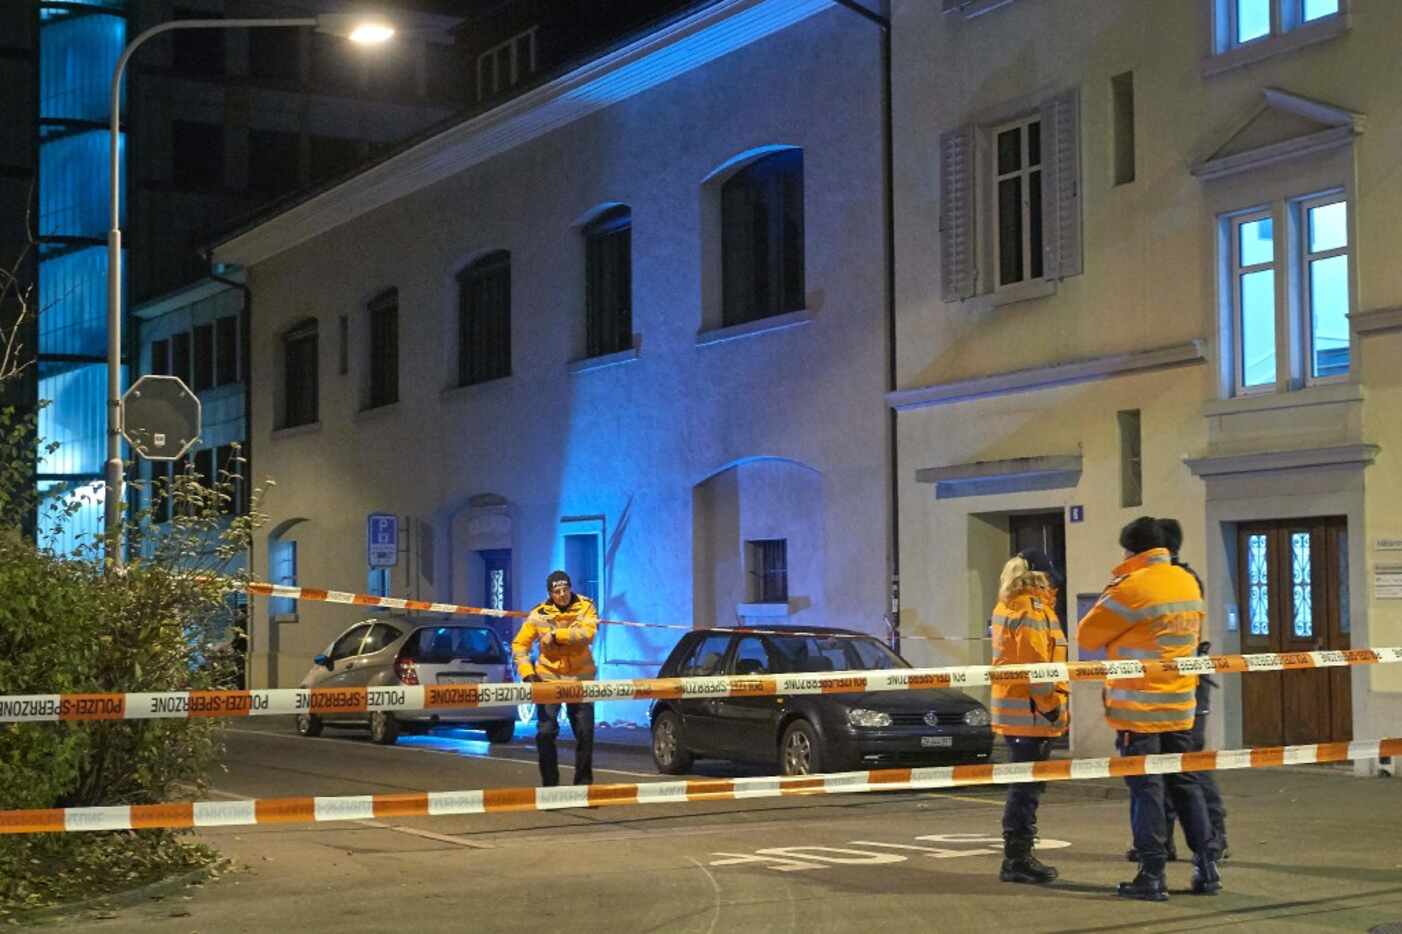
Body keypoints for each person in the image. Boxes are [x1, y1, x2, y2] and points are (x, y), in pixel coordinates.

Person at [1078, 517, 1224, 900]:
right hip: (1180, 703)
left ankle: (1152, 873)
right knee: (1185, 784)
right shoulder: (1186, 580)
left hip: (1138, 707)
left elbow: (1088, 635)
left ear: (1133, 550)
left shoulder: (1132, 586)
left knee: (1147, 790)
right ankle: (1206, 869)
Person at [1125, 519, 1230, 865]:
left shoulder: (1172, 581)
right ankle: (1176, 844)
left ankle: (1210, 839)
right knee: (1174, 769)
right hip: (1180, 686)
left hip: (1175, 688)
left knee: (1184, 767)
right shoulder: (1184, 580)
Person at [990, 549, 1071, 885]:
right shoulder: (1033, 609)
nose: (1054, 583)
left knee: (1025, 786)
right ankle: (1017, 859)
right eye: (1050, 577)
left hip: (1018, 711)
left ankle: (1018, 856)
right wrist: (1052, 707)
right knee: (1026, 789)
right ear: (1040, 577)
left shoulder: (1008, 604)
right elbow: (1038, 667)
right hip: (1033, 713)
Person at [512, 570, 599, 787]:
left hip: (580, 679)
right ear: (550, 593)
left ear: (570, 588)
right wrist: (527, 673)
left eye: (565, 589)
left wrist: (557, 635)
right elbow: (519, 645)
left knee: (585, 732)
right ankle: (550, 787)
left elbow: (588, 633)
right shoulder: (539, 613)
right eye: (557, 591)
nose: (562, 594)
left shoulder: (586, 606)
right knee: (545, 732)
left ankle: (583, 786)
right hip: (549, 678)